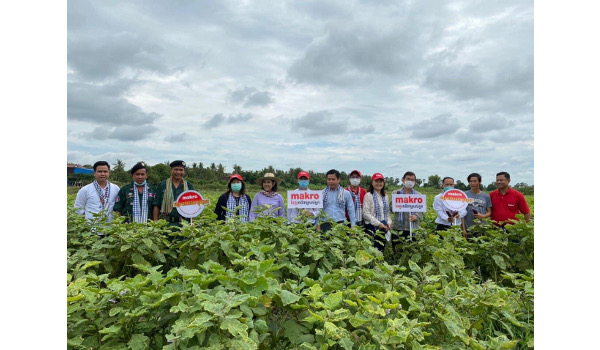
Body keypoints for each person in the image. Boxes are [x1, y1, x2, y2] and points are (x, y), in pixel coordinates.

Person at [154, 160, 195, 226]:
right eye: (176, 169)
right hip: (165, 224)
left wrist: (192, 222)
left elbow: (193, 206)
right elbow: (157, 205)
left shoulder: (189, 186)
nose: (178, 172)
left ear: (184, 171)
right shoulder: (162, 185)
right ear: (171, 170)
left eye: (181, 170)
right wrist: (155, 222)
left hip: (184, 224)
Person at [362, 173, 392, 252]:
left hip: (383, 226)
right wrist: (378, 223)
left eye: (381, 181)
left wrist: (389, 222)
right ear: (372, 182)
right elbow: (365, 213)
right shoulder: (368, 195)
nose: (379, 184)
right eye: (376, 181)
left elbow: (387, 212)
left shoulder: (385, 196)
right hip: (372, 227)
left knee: (381, 250)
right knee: (372, 250)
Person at [391, 171, 424, 239]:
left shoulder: (419, 195)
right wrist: (396, 201)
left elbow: (421, 211)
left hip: (413, 228)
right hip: (398, 227)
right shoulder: (396, 193)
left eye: (412, 180)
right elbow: (391, 209)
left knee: (411, 248)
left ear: (415, 182)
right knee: (397, 248)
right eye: (408, 179)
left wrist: (415, 217)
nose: (410, 181)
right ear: (403, 180)